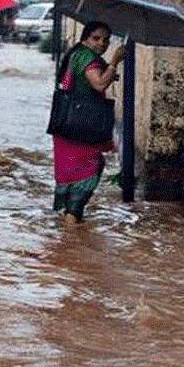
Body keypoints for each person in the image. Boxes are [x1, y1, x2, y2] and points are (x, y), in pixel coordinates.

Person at [50, 20, 125, 224]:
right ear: (85, 38)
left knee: (72, 176)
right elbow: (99, 84)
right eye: (96, 38)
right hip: (82, 128)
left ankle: (69, 229)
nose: (102, 43)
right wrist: (115, 61)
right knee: (87, 174)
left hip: (66, 125)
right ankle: (71, 231)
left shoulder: (75, 54)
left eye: (106, 40)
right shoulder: (87, 57)